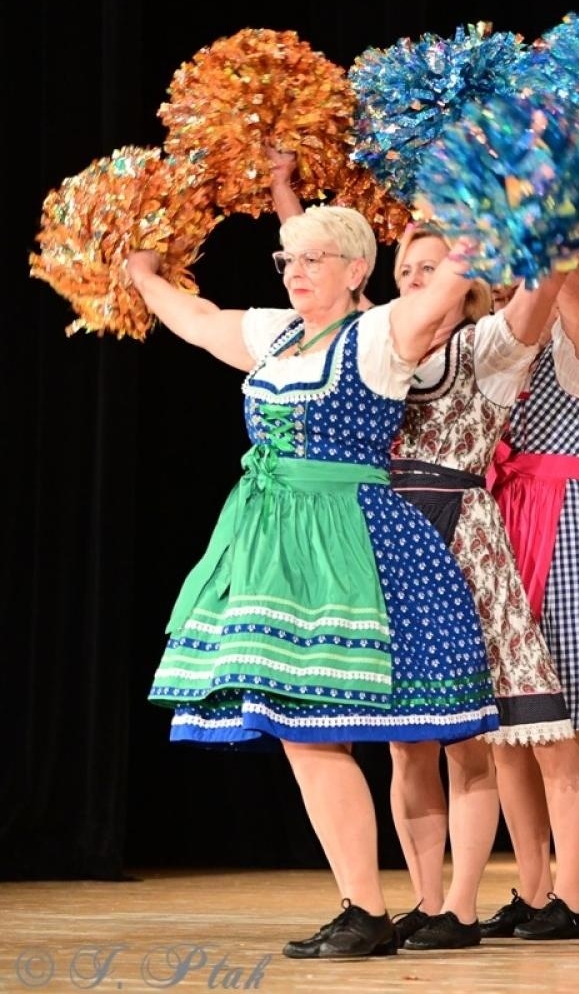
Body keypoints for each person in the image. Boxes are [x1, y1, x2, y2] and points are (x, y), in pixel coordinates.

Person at [133, 206, 497, 957]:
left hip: (350, 545)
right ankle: (362, 902)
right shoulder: (277, 334)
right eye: (287, 260)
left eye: (314, 259)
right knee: (302, 730)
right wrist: (141, 274)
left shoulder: (380, 336)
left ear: (357, 269)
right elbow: (200, 321)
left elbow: (452, 282)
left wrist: (492, 188)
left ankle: (391, 906)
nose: (296, 272)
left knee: (347, 730)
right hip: (274, 547)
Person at [379, 228, 579, 947]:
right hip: (388, 540)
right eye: (404, 268)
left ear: (464, 279)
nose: (413, 277)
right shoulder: (376, 347)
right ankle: (426, 897)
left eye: (429, 266)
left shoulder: (486, 348)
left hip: (459, 537)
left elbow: (543, 293)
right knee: (406, 743)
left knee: (471, 735)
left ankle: (462, 907)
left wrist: (557, 211)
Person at [483, 260, 579, 941]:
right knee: (508, 733)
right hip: (499, 523)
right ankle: (531, 884)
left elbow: (569, 285)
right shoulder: (496, 349)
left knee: (554, 728)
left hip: (562, 525)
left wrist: (551, 205)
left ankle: (569, 896)